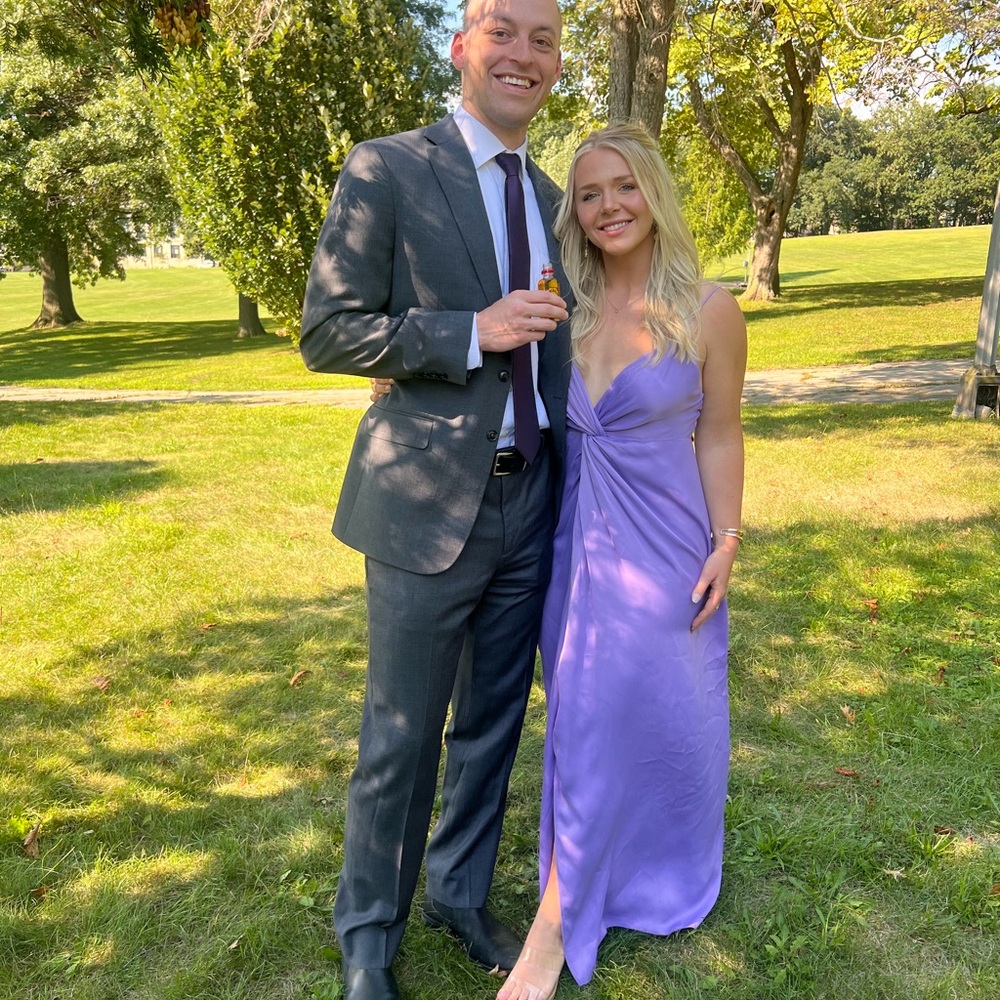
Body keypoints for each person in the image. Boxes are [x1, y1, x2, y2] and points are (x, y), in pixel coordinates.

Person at [298, 1, 570, 998]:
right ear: (462, 45)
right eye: (505, 30)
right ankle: (368, 937)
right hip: (423, 507)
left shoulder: (552, 195)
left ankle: (459, 894)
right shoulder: (388, 166)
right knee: (400, 734)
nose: (524, 53)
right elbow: (330, 331)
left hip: (529, 504)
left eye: (544, 39)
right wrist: (470, 331)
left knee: (492, 725)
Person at [496, 122, 747, 1000]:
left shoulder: (709, 310)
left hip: (671, 547)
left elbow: (718, 433)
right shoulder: (557, 305)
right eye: (591, 192)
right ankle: (562, 917)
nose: (609, 206)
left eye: (625, 187)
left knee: (669, 721)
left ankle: (592, 908)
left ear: (655, 196)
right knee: (584, 719)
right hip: (578, 548)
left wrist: (727, 541)